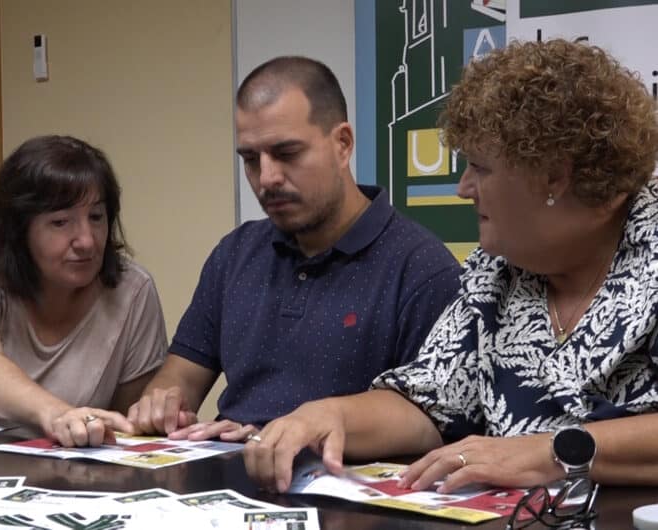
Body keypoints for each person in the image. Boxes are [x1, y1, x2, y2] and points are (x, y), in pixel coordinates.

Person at [243, 39, 658, 494]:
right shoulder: (498, 270)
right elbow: (429, 402)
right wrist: (327, 416)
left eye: (479, 167)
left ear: (554, 176)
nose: (464, 188)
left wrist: (550, 451)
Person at [127, 56, 461, 441]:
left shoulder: (421, 268)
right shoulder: (234, 254)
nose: (266, 178)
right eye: (251, 160)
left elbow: (436, 420)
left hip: (343, 484)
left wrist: (309, 428)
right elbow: (181, 374)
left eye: (287, 154)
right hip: (230, 476)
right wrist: (162, 401)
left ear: (342, 144)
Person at [0, 135, 168, 447]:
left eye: (97, 217)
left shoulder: (133, 290)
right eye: (61, 222)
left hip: (83, 472)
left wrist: (20, 416)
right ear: (19, 230)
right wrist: (57, 416)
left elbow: (129, 421)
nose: (86, 240)